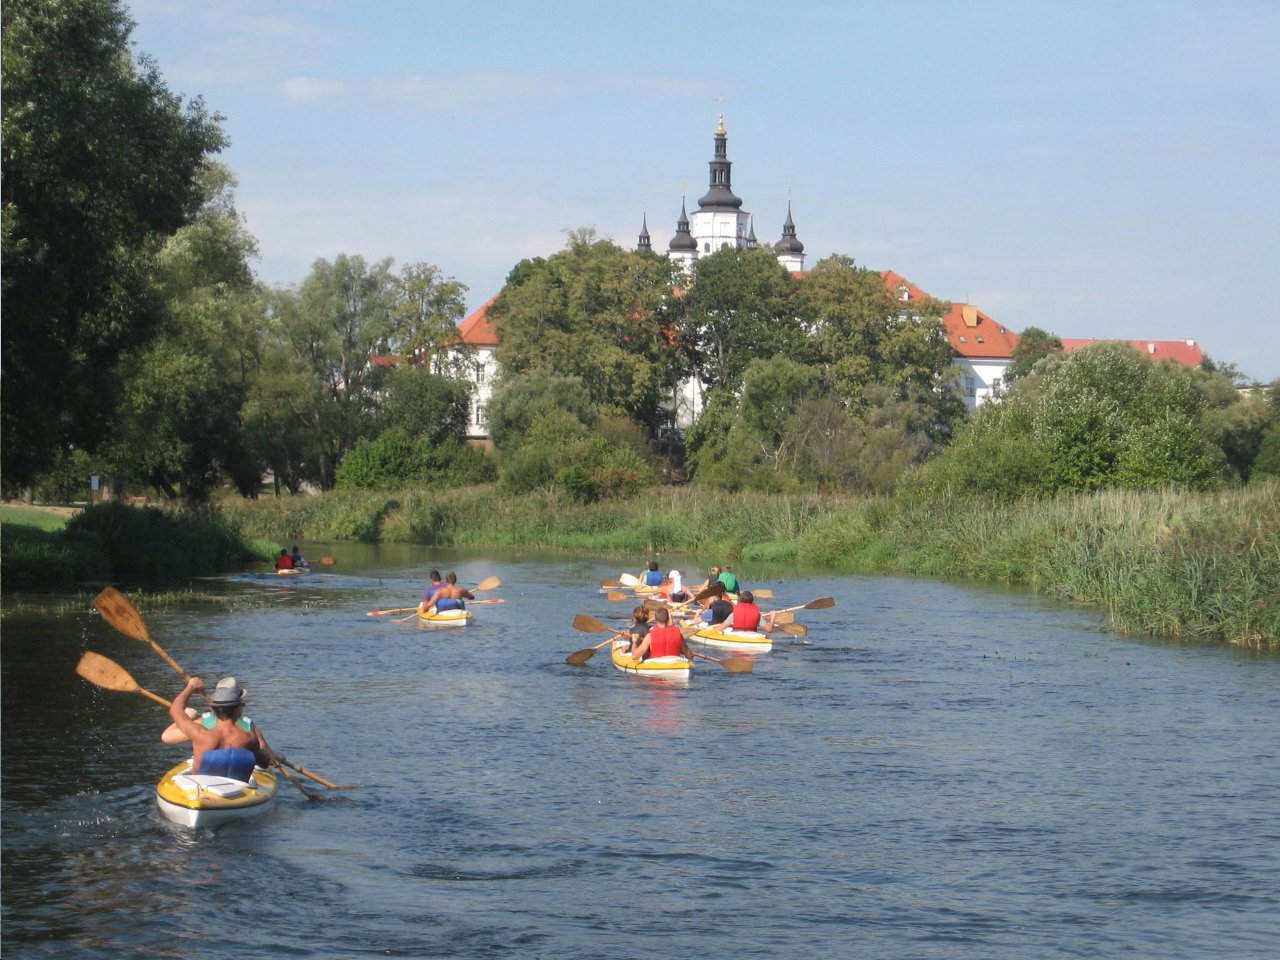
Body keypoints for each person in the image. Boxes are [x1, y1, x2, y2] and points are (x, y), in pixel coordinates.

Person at [167, 677, 275, 781]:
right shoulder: (249, 737)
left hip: (203, 787)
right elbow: (264, 763)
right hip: (236, 788)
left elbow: (175, 710)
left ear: (212, 709)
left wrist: (190, 687)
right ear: (239, 709)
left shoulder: (200, 734)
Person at [161, 676, 257, 744]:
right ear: (240, 704)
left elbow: (166, 737)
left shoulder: (203, 724)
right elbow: (265, 755)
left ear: (213, 706)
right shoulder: (248, 725)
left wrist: (189, 716)